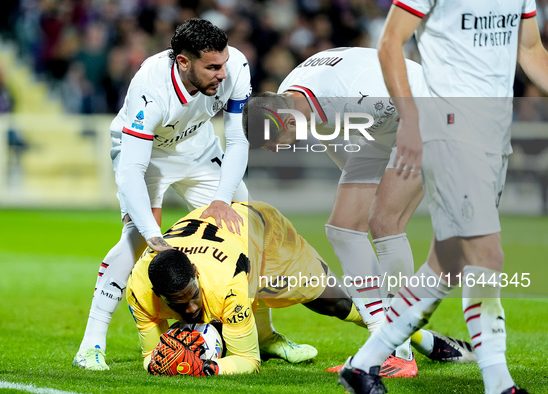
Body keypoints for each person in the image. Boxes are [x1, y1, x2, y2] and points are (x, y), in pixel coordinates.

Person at [72, 19, 311, 370]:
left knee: (245, 229)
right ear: (183, 62)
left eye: (223, 64)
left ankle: (264, 335)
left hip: (198, 149)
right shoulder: (150, 88)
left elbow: (239, 139)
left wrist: (221, 198)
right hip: (148, 156)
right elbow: (131, 172)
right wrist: (155, 237)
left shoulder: (236, 68)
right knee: (137, 238)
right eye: (212, 67)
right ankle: (90, 346)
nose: (222, 74)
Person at [338, 2, 548, 394]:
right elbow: (390, 44)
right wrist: (412, 121)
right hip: (449, 130)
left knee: (448, 264)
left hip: (495, 135)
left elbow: (531, 51)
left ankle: (362, 365)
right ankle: (500, 386)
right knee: (487, 255)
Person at [243, 47, 475, 378]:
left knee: (385, 222)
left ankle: (400, 353)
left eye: (273, 141)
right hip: (384, 127)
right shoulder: (289, 100)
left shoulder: (355, 90)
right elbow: (341, 151)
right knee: (343, 229)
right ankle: (382, 339)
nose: (276, 150)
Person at [127, 201, 474, 376]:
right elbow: (150, 355)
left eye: (192, 297)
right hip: (230, 244)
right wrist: (160, 362)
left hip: (266, 232)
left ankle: (424, 340)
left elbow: (247, 361)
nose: (187, 309)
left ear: (197, 277)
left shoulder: (226, 282)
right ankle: (269, 338)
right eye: (177, 303)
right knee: (213, 320)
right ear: (158, 294)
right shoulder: (139, 287)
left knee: (336, 305)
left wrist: (209, 367)